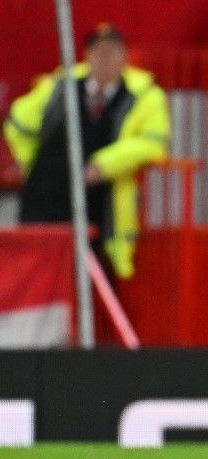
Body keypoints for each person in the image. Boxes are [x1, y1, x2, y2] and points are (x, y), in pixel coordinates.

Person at [4, 24, 171, 281]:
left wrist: (104, 164)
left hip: (100, 206)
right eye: (98, 52)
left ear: (124, 57)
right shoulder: (60, 86)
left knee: (88, 279)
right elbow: (17, 123)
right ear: (87, 56)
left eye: (112, 52)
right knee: (38, 278)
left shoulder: (144, 96)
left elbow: (153, 143)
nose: (105, 59)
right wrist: (29, 162)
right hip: (44, 200)